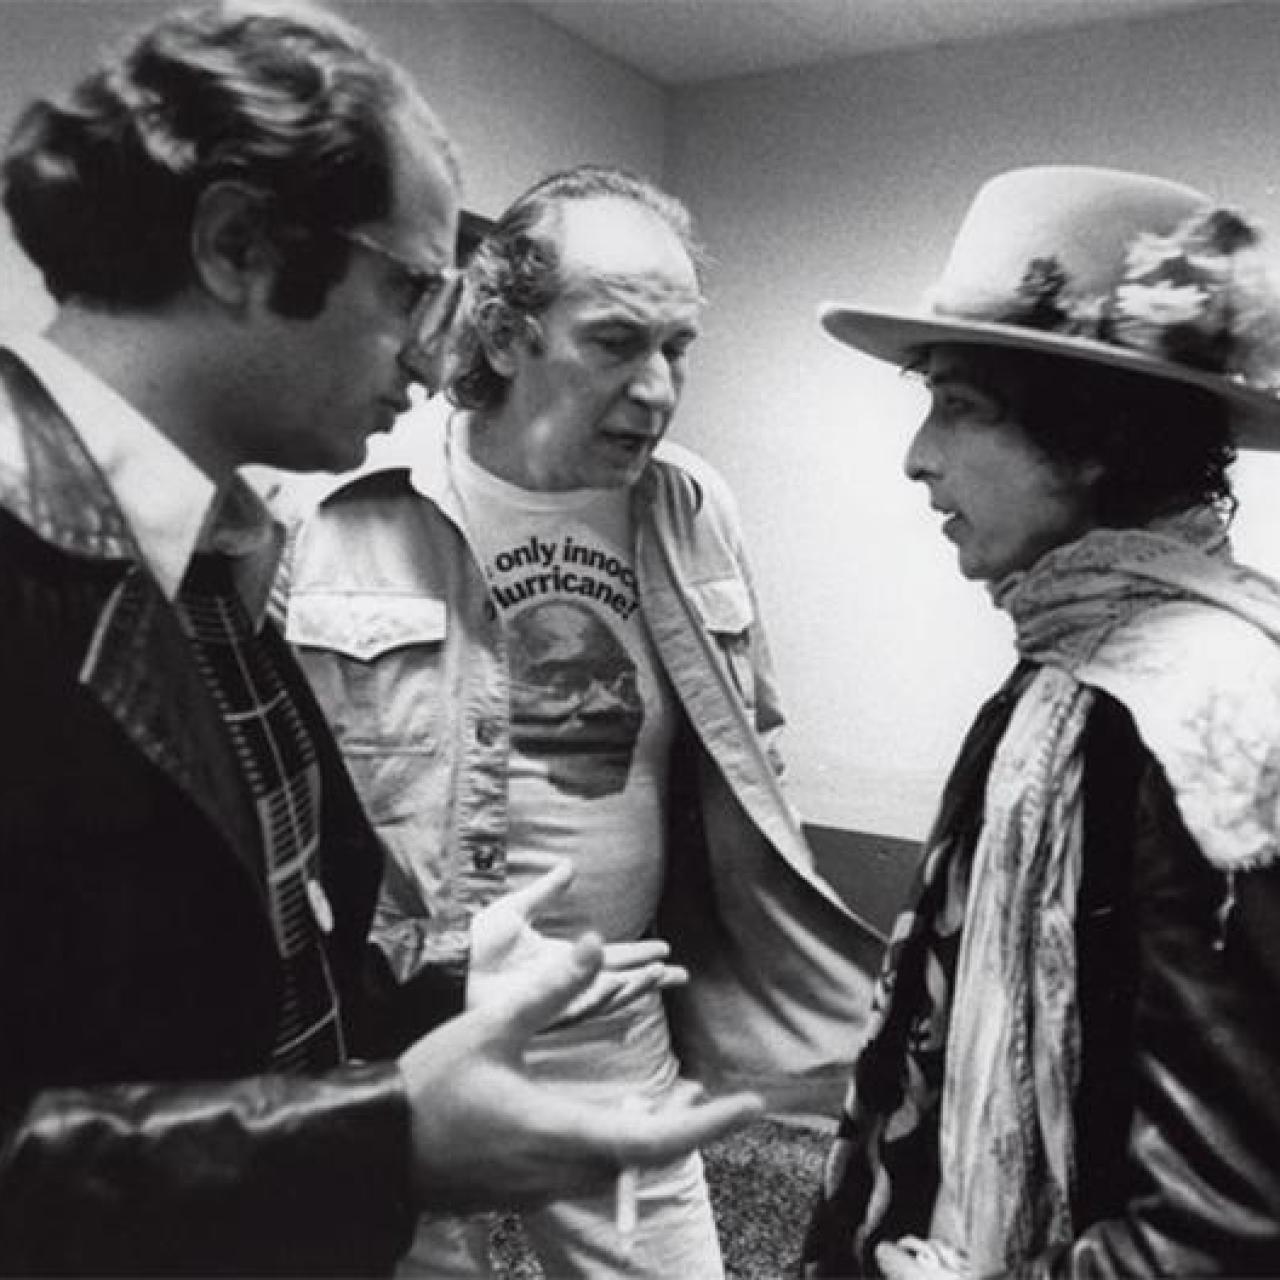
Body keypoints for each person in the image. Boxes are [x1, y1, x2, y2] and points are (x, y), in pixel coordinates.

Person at [0, 5, 762, 1275]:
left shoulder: (205, 553)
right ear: (239, 245)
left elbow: (235, 967)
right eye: (409, 286)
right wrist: (377, 1142)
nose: (435, 348)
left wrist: (447, 993)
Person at [276, 163, 882, 1277]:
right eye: (614, 343)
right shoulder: (331, 507)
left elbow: (749, 746)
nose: (655, 389)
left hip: (618, 1012)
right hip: (405, 1026)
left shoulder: (692, 503)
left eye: (677, 349)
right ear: (505, 335)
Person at [803, 165, 1280, 1277]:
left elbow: (1226, 1223)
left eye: (958, 406)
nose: (916, 455)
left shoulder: (1190, 715)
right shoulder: (1078, 663)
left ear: (1093, 438)